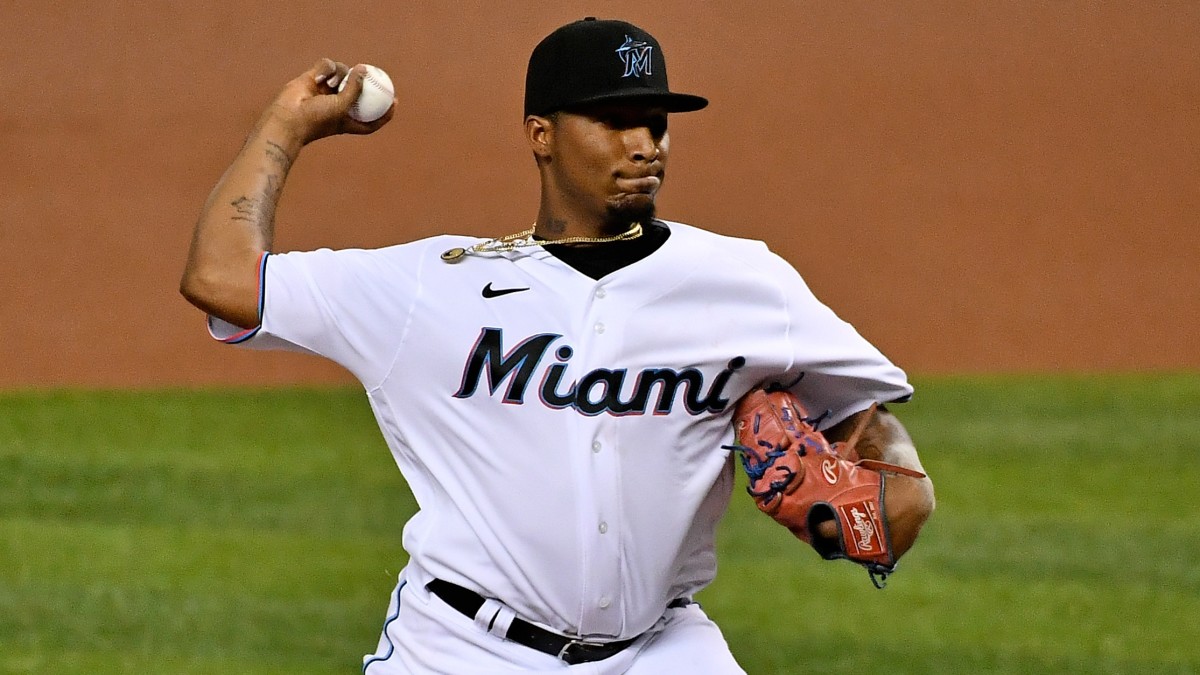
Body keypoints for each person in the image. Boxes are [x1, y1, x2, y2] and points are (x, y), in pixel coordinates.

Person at [181, 17, 934, 674]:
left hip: (660, 648)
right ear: (541, 133)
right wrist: (284, 125)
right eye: (613, 121)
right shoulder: (428, 287)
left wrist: (870, 504)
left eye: (655, 122)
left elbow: (873, 431)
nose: (644, 144)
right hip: (459, 650)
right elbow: (221, 278)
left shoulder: (745, 282)